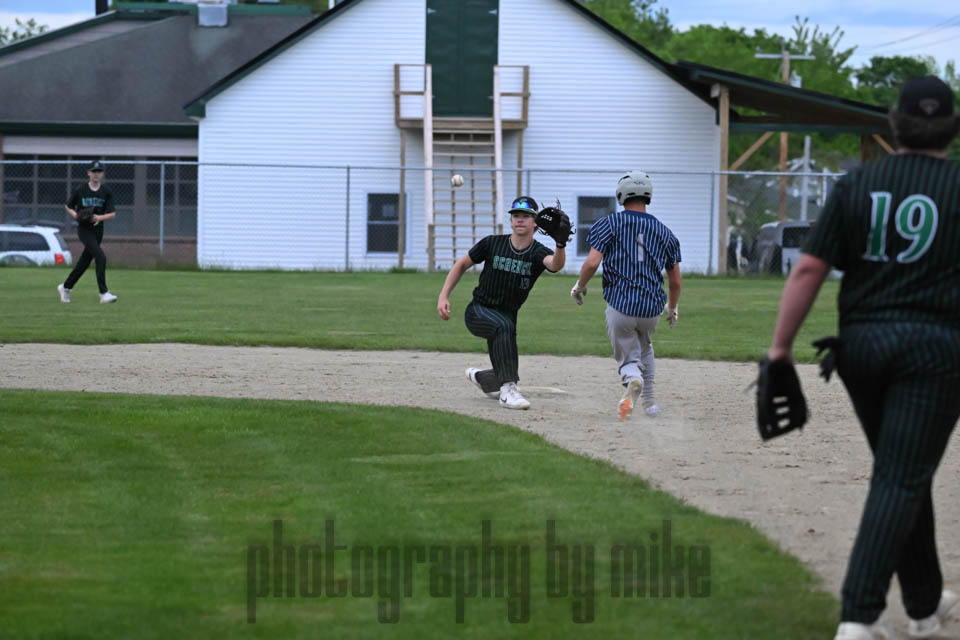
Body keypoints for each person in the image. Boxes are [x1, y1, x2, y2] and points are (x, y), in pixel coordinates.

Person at [765, 76, 960, 640]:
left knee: (903, 468)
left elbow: (809, 268)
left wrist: (780, 348)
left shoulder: (858, 184)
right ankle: (859, 615)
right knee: (902, 474)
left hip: (862, 349)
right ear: (952, 128)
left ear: (895, 123)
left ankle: (924, 604)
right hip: (936, 350)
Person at [571, 170, 681, 420]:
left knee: (628, 356)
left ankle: (632, 378)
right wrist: (672, 307)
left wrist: (579, 286)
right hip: (651, 308)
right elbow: (675, 280)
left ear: (621, 195)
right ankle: (650, 405)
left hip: (621, 304)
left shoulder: (609, 223)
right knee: (645, 348)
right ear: (648, 195)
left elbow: (592, 262)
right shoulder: (665, 232)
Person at [437, 196, 565, 410]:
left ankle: (485, 379)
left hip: (507, 316)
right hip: (478, 311)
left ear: (535, 222)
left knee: (505, 345)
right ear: (511, 220)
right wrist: (443, 296)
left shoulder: (537, 252)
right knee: (503, 328)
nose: (520, 219)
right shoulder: (492, 243)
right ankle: (508, 391)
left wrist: (560, 244)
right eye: (516, 215)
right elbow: (461, 264)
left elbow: (555, 265)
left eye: (526, 216)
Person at [58, 160, 118, 304]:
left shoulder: (106, 192)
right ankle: (103, 293)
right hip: (84, 229)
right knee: (100, 257)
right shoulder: (81, 189)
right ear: (88, 173)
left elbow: (112, 214)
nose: (96, 174)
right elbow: (68, 205)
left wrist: (99, 217)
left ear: (102, 174)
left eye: (99, 171)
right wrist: (76, 216)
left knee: (84, 263)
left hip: (98, 230)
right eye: (93, 171)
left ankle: (66, 287)